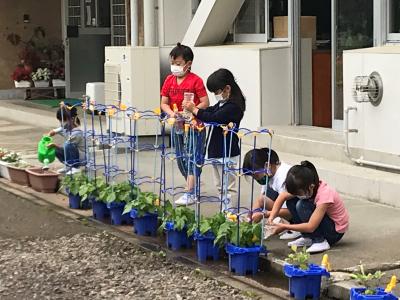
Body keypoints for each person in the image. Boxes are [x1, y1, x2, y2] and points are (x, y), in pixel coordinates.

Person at [183, 68, 244, 208]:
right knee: (219, 184)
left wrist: (195, 110)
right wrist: (196, 112)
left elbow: (215, 117)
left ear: (227, 88)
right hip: (217, 148)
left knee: (228, 184)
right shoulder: (223, 103)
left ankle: (230, 212)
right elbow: (211, 111)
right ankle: (224, 210)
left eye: (217, 92)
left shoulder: (234, 106)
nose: (216, 95)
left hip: (227, 149)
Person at [160, 43, 209, 205]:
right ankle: (192, 187)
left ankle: (190, 192)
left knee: (194, 157)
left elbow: (205, 102)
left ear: (188, 64)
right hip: (178, 125)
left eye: (178, 64)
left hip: (195, 125)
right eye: (172, 63)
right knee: (181, 158)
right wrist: (172, 114)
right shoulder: (169, 80)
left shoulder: (196, 81)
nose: (175, 67)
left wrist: (192, 110)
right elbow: (164, 103)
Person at [268, 161, 349, 253]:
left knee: (302, 205)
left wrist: (284, 226)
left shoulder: (324, 195)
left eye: (299, 193)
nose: (298, 195)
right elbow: (282, 196)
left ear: (311, 187)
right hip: (324, 224)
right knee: (291, 201)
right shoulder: (307, 186)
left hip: (334, 232)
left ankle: (320, 241)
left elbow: (311, 226)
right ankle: (308, 237)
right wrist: (271, 218)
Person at [242, 148, 300, 240]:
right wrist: (251, 216)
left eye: (256, 175)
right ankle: (249, 225)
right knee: (262, 199)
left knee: (289, 205)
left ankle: (295, 227)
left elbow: (289, 212)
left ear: (267, 165)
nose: (256, 179)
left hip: (301, 210)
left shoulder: (283, 177)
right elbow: (262, 200)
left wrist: (263, 214)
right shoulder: (270, 174)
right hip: (291, 205)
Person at [47, 105, 85, 175]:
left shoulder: (77, 133)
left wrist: (56, 145)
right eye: (60, 120)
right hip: (74, 155)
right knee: (55, 149)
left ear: (72, 119)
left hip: (82, 158)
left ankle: (75, 167)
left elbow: (68, 146)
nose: (62, 123)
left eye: (63, 120)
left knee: (67, 145)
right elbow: (59, 129)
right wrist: (52, 132)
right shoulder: (67, 127)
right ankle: (68, 166)